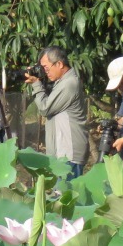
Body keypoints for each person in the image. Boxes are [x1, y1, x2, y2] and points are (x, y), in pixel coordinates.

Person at [27, 46, 89, 177]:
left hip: (69, 155)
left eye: (46, 68)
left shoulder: (69, 83)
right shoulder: (61, 83)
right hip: (62, 154)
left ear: (59, 64)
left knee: (67, 190)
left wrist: (36, 84)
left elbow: (45, 108)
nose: (45, 72)